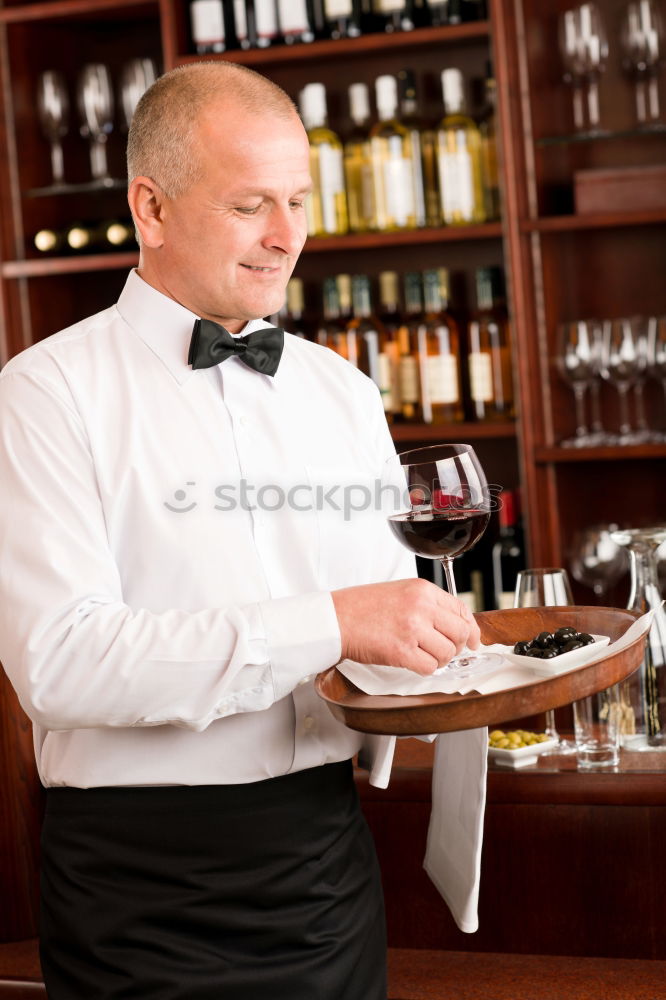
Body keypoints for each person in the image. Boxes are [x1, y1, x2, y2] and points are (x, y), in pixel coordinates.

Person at [0, 62, 479, 1000]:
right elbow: (61, 664)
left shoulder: (342, 390)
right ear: (153, 205)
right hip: (137, 893)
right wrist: (331, 622)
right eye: (250, 204)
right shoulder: (42, 395)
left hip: (324, 870)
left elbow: (383, 631)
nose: (286, 237)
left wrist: (467, 671)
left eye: (299, 199)